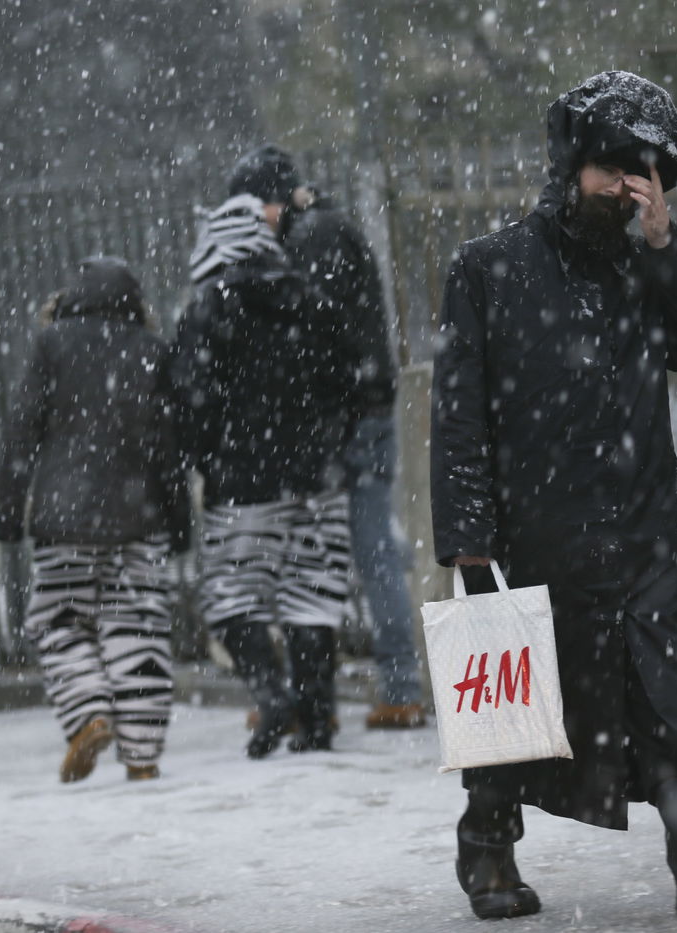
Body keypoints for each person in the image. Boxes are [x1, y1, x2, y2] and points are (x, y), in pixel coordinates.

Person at [430, 70, 677, 920]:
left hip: (641, 527)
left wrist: (669, 246)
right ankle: (487, 848)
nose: (625, 190)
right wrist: (469, 537)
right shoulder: (489, 270)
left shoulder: (643, 266)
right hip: (537, 530)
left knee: (669, 694)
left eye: (642, 176)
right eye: (610, 171)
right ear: (570, 168)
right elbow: (458, 415)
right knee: (513, 691)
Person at [225, 144, 425, 730]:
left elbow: (312, 334)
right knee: (347, 552)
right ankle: (335, 694)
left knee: (357, 551)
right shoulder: (319, 230)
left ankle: (392, 687)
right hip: (352, 412)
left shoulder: (314, 237)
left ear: (275, 200)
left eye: (251, 207)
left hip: (349, 419)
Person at [173, 193, 359, 758]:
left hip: (241, 483)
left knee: (231, 598)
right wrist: (327, 445)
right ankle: (318, 717)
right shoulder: (311, 298)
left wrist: (209, 457)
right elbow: (348, 383)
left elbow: (189, 399)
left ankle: (272, 695)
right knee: (312, 596)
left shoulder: (209, 307)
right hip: (315, 478)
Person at [0, 256, 188, 784]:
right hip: (139, 515)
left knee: (60, 620)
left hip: (64, 518)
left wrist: (9, 510)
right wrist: (178, 517)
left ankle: (89, 715)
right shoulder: (151, 350)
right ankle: (143, 754)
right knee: (138, 626)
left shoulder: (52, 344)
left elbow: (22, 430)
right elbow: (167, 446)